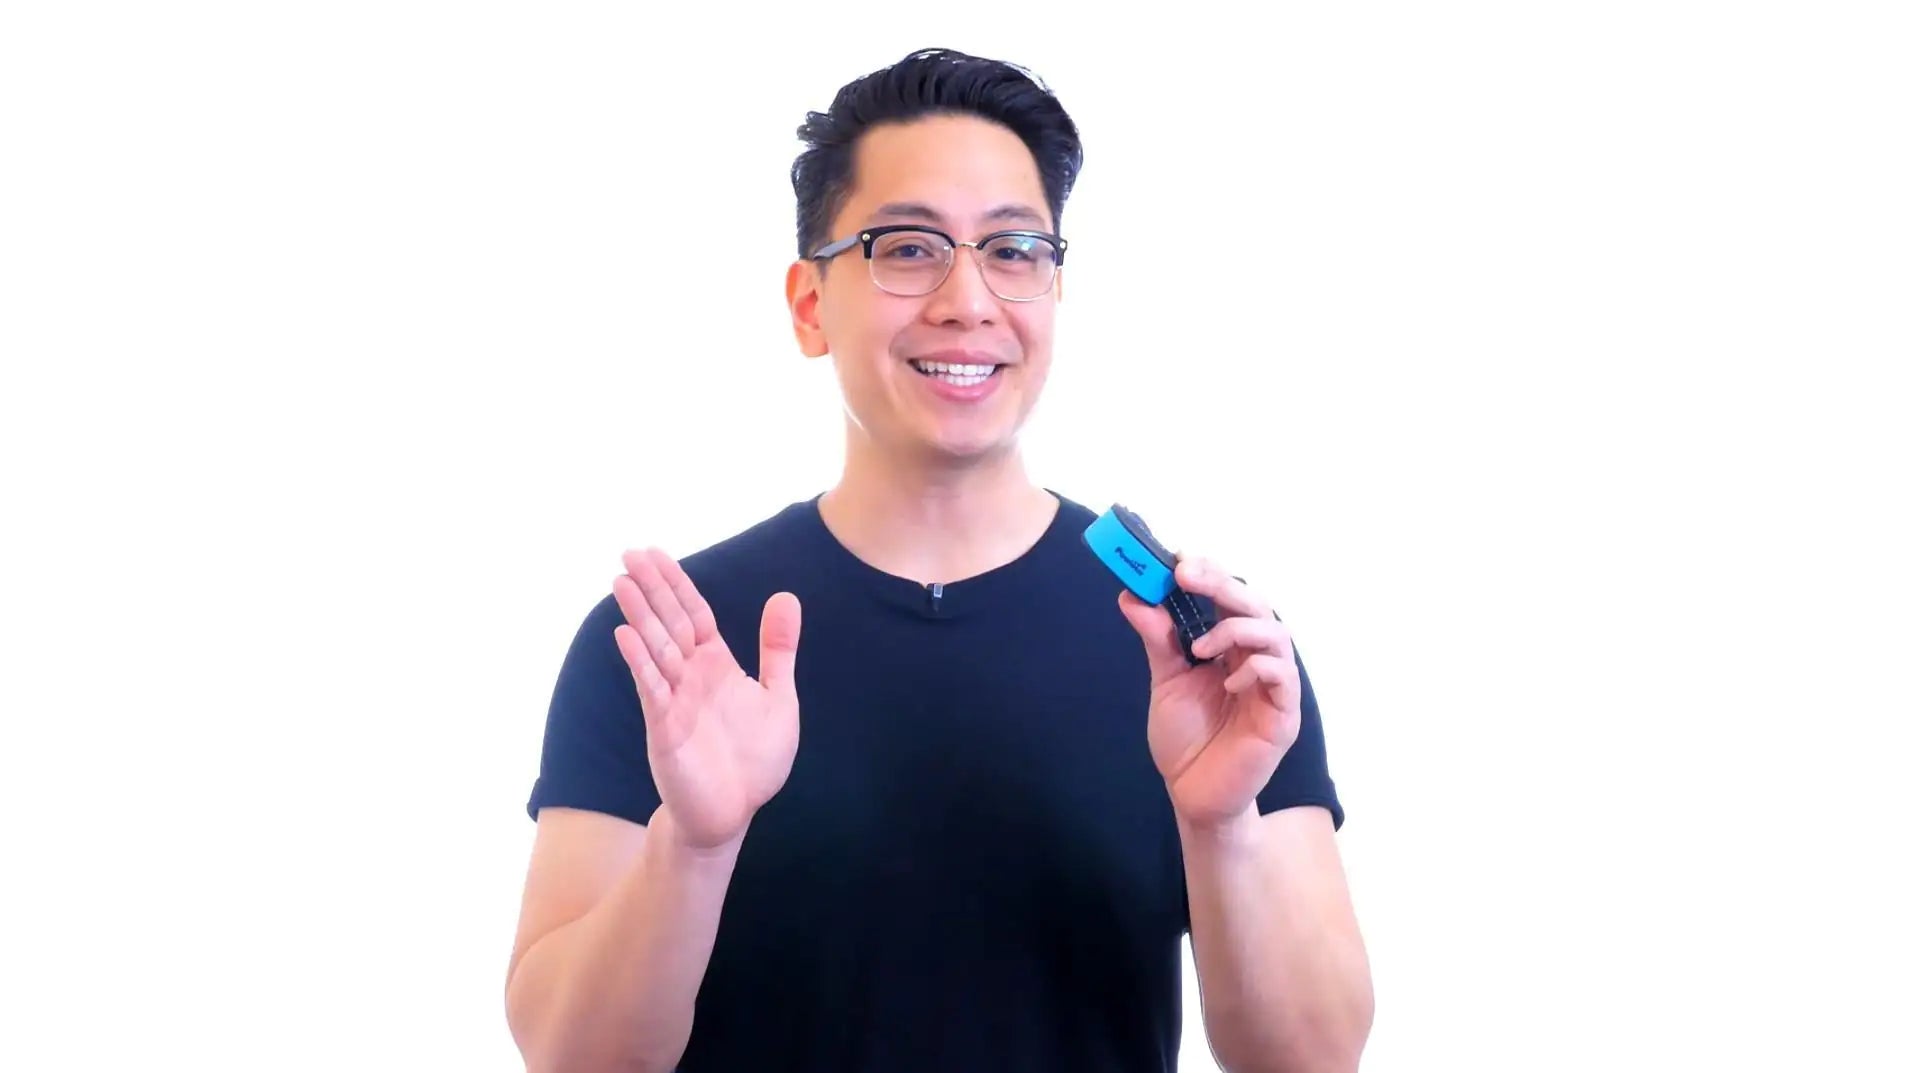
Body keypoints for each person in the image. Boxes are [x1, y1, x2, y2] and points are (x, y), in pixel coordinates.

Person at [503, 47, 1374, 1073]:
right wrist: (691, 847)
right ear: (808, 304)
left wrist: (1221, 822)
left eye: (1013, 250)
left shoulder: (1205, 649)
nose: (969, 298)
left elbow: (1312, 1057)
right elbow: (573, 1056)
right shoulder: (664, 643)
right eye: (907, 247)